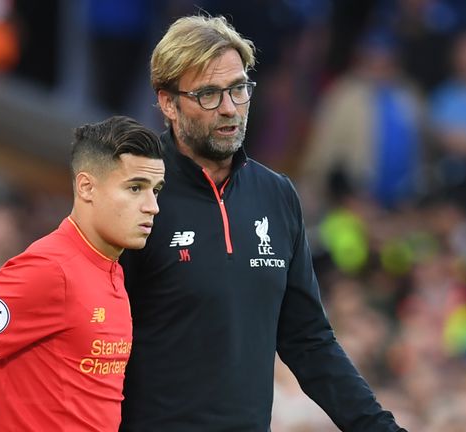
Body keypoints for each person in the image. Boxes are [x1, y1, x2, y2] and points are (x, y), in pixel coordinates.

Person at [119, 15, 405, 431]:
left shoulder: (277, 196)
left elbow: (309, 341)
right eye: (209, 95)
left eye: (238, 88)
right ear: (168, 102)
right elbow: (86, 326)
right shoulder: (132, 193)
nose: (230, 108)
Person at [0, 115, 165, 432]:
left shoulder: (110, 270)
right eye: (135, 188)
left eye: (156, 190)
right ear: (86, 186)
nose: (152, 206)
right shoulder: (50, 268)